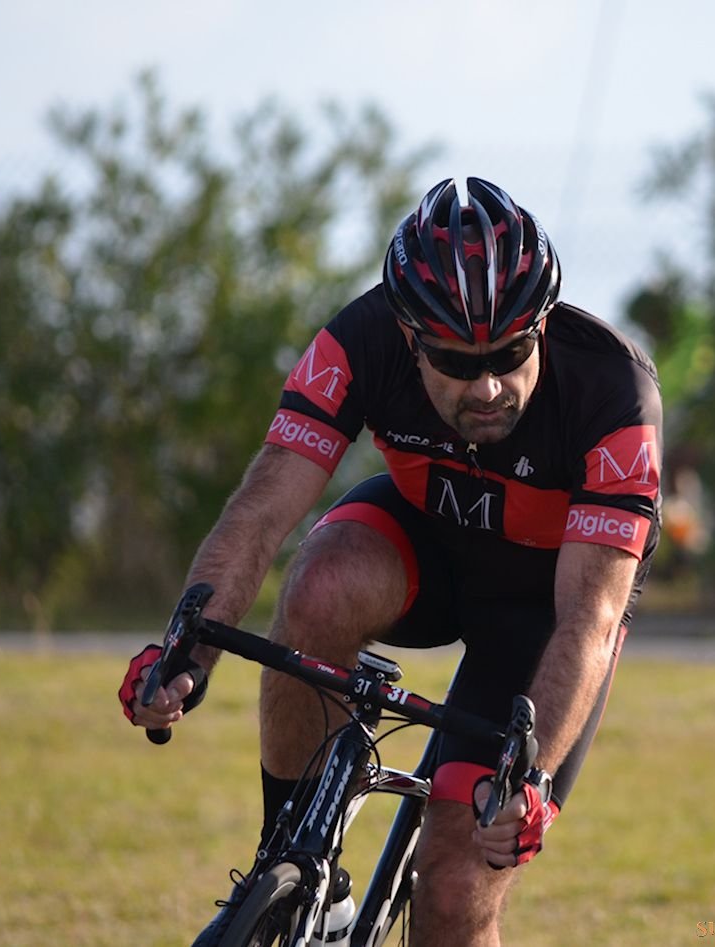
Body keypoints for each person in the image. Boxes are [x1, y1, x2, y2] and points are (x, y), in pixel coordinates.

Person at [119, 177, 663, 946]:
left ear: (541, 326)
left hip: (541, 610)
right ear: (409, 338)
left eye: (511, 353)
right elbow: (263, 508)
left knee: (451, 885)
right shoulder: (360, 339)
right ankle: (303, 875)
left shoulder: (613, 393)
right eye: (455, 360)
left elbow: (591, 616)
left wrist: (529, 779)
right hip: (427, 546)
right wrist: (187, 651)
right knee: (319, 582)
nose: (489, 385)